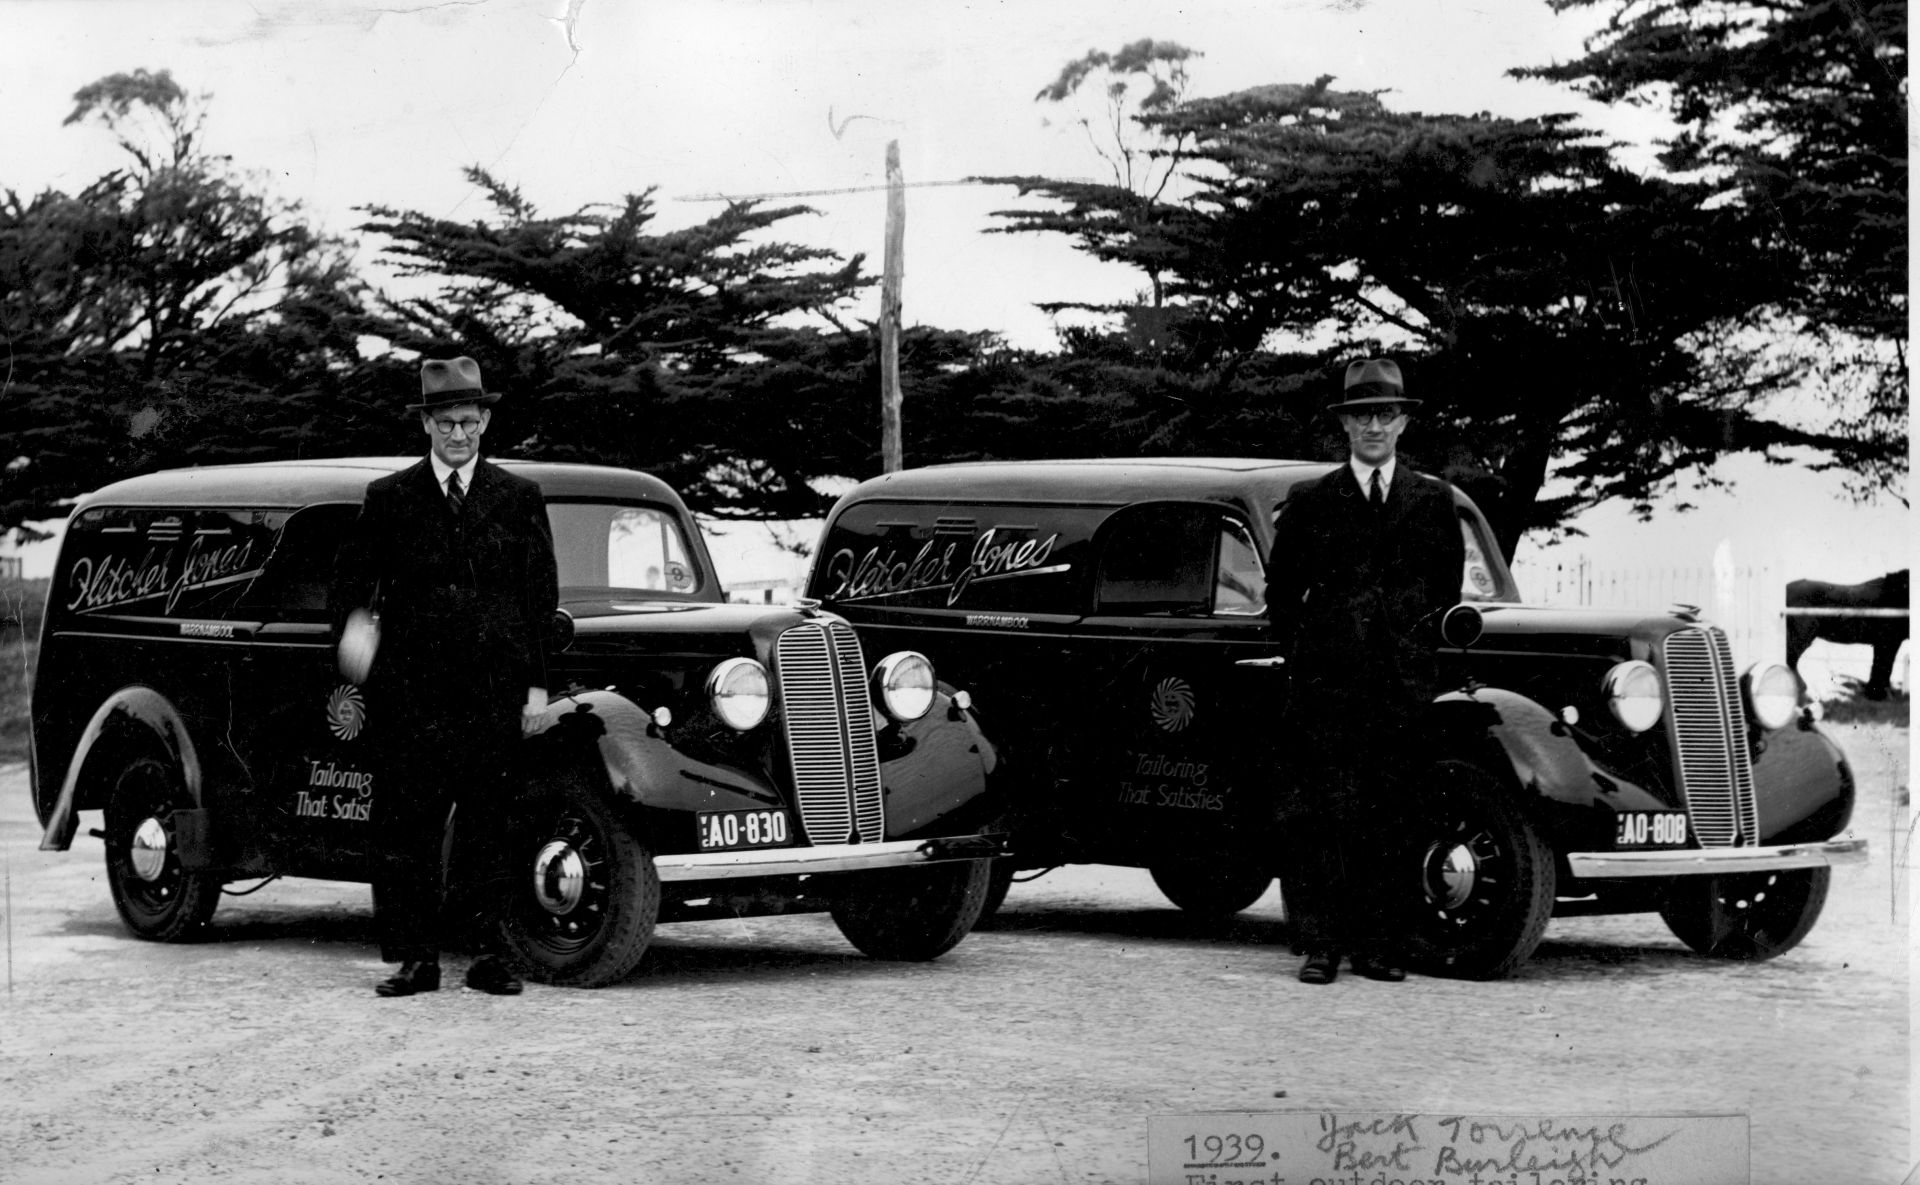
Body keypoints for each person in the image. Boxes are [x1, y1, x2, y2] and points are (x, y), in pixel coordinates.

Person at [331, 356, 559, 998]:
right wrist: (353, 631)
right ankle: (416, 960)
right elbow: (350, 587)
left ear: (485, 421)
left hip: (494, 694)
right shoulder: (389, 498)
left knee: (491, 826)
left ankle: (488, 956)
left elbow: (541, 600)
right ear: (426, 425)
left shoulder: (518, 498)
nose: (457, 435)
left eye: (468, 421)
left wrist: (537, 686)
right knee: (407, 830)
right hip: (411, 696)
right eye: (445, 422)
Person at [1269, 358, 1464, 985]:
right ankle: (1321, 946)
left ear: (1403, 423)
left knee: (1390, 814)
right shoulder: (1312, 500)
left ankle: (1379, 946)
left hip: (1401, 687)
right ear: (1345, 427)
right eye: (1361, 416)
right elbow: (1282, 595)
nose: (1373, 426)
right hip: (1327, 686)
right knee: (1323, 813)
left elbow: (1444, 592)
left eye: (1385, 414)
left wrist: (1415, 660)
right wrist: (1312, 658)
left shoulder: (1433, 501)